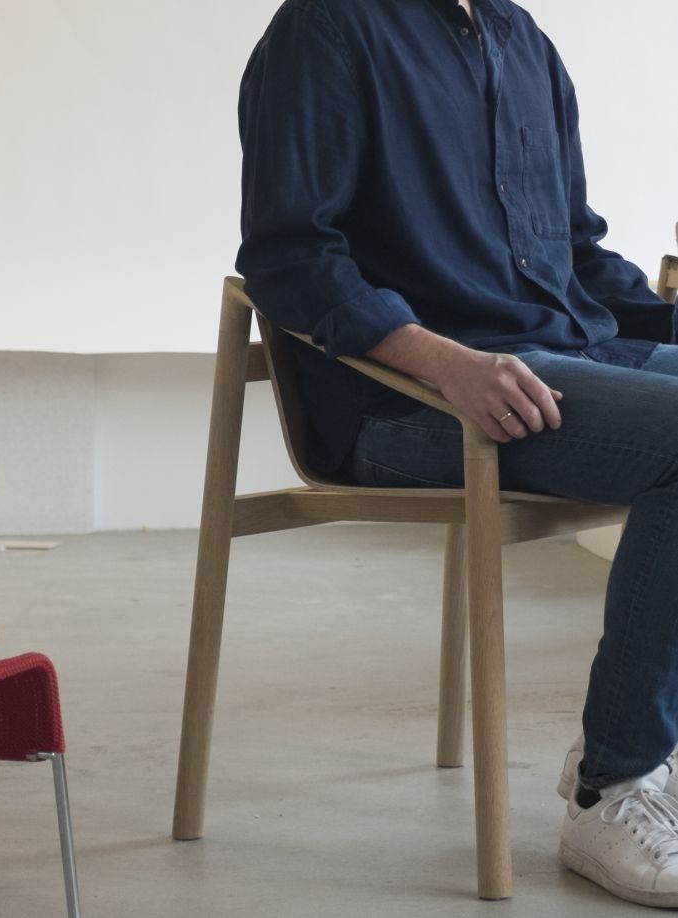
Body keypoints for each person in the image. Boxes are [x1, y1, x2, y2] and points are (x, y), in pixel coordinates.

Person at [235, 0, 678, 907]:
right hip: (407, 405)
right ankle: (613, 785)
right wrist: (448, 363)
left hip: (564, 361)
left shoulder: (525, 43)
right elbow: (288, 259)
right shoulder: (327, 27)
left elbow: (577, 256)